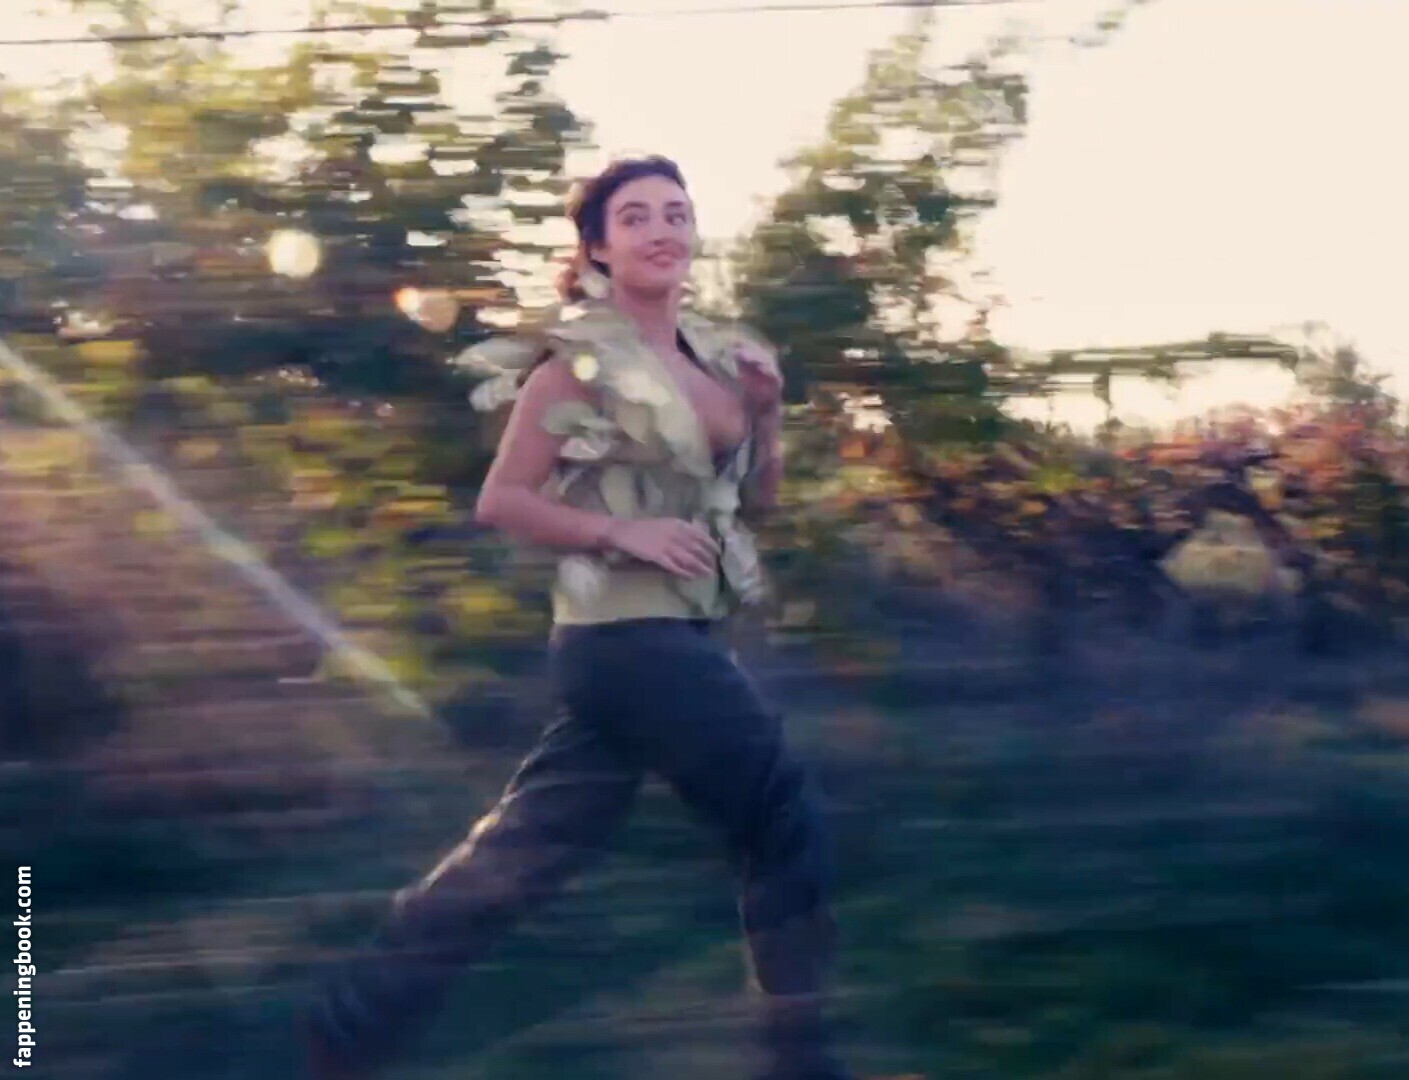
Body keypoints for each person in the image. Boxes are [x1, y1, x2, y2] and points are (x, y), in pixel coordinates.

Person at [306, 155, 858, 1080]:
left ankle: (349, 1030)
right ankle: (801, 1065)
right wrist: (620, 531)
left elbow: (755, 505)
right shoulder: (579, 366)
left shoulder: (717, 364)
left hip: (673, 639)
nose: (660, 230)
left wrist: (766, 417)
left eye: (675, 213)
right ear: (597, 247)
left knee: (526, 855)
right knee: (781, 816)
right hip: (625, 640)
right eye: (634, 217)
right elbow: (503, 500)